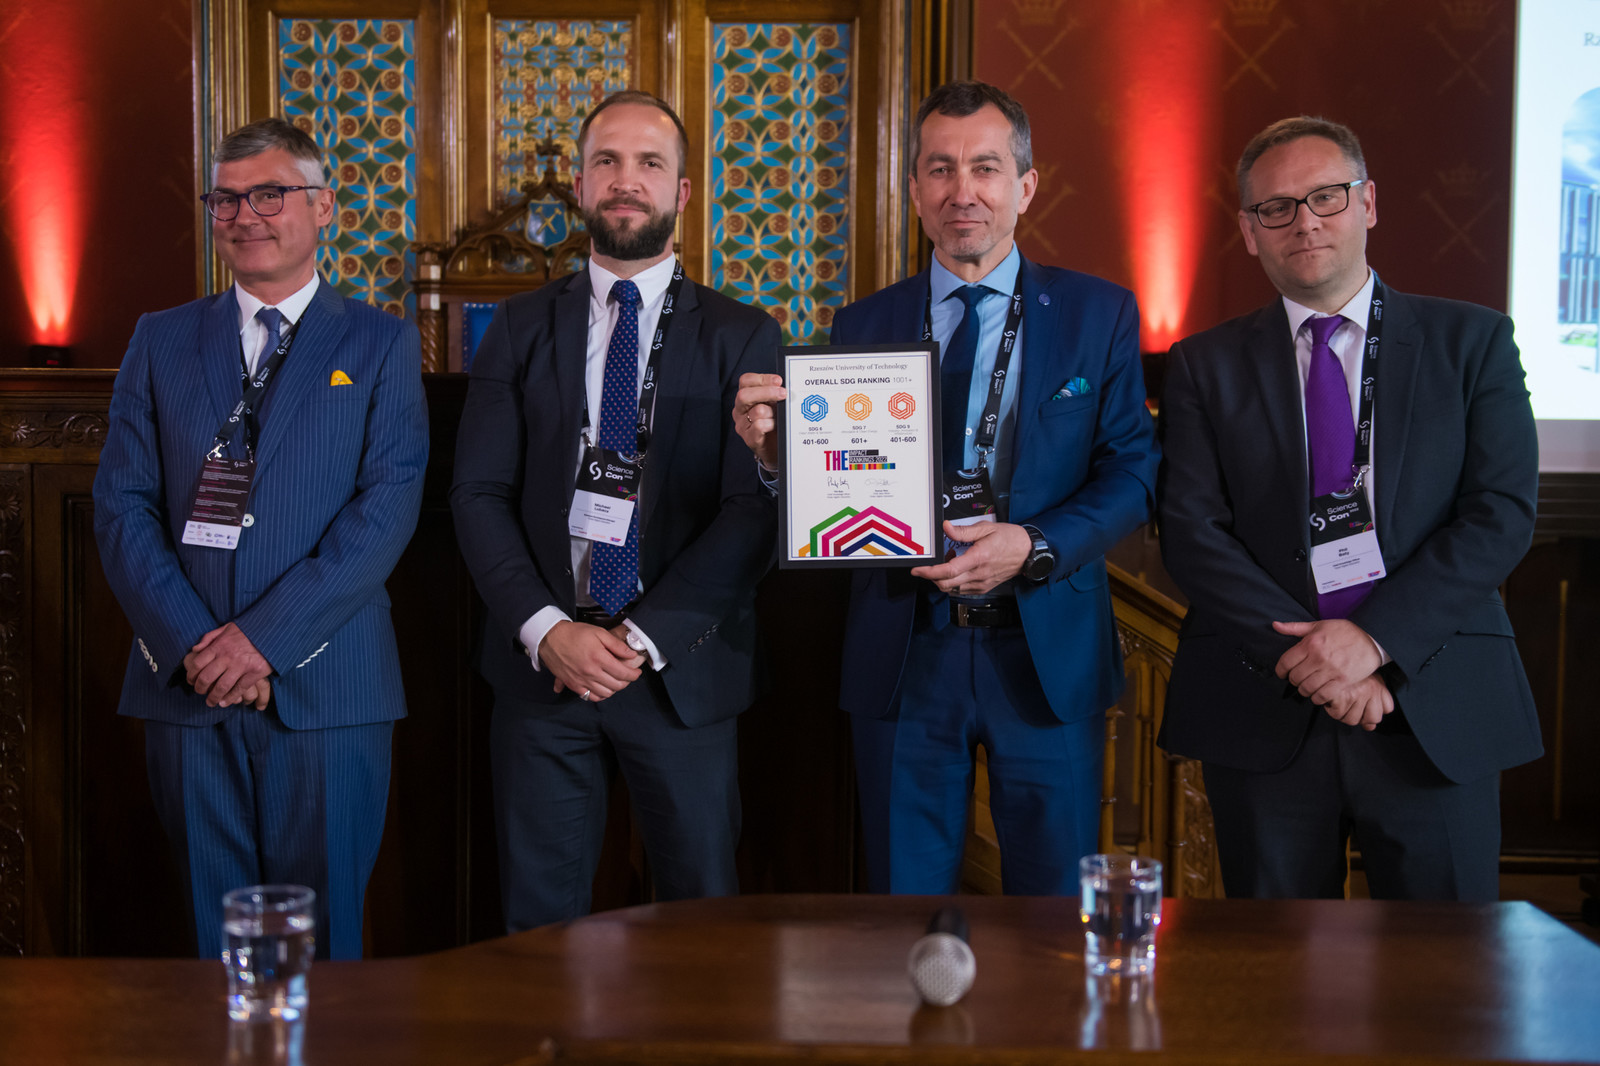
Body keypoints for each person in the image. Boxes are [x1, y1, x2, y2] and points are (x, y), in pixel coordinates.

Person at [734, 81, 1157, 895]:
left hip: (1043, 648)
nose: (964, 191)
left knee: (1053, 916)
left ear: (1025, 186)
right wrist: (780, 460)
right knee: (904, 904)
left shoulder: (1097, 313)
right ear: (915, 190)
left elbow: (1134, 471)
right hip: (906, 646)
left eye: (986, 168)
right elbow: (843, 477)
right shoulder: (863, 324)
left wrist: (1031, 544)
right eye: (941, 169)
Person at [1156, 116, 1542, 901]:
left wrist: (1372, 641)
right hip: (1265, 709)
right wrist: (1314, 663)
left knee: (1444, 966)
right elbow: (1193, 534)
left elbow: (1499, 512)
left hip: (1431, 702)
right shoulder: (1203, 364)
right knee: (1278, 967)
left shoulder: (1473, 343)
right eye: (1277, 207)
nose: (1304, 221)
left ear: (1367, 203)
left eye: (1326, 197)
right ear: (1249, 231)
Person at [93, 117, 429, 958]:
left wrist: (262, 644)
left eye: (270, 195)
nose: (246, 216)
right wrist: (197, 645)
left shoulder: (382, 343)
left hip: (329, 692)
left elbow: (385, 510)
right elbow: (122, 506)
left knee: (327, 944)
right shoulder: (159, 338)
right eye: (227, 200)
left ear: (324, 207)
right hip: (188, 687)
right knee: (214, 945)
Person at [450, 90, 780, 931]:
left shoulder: (743, 334)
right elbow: (478, 493)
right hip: (543, 673)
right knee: (539, 931)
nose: (626, 180)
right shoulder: (518, 327)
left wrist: (640, 638)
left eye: (648, 163)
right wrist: (547, 630)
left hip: (679, 671)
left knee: (702, 931)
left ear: (682, 192)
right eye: (607, 161)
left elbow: (751, 510)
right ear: (581, 186)